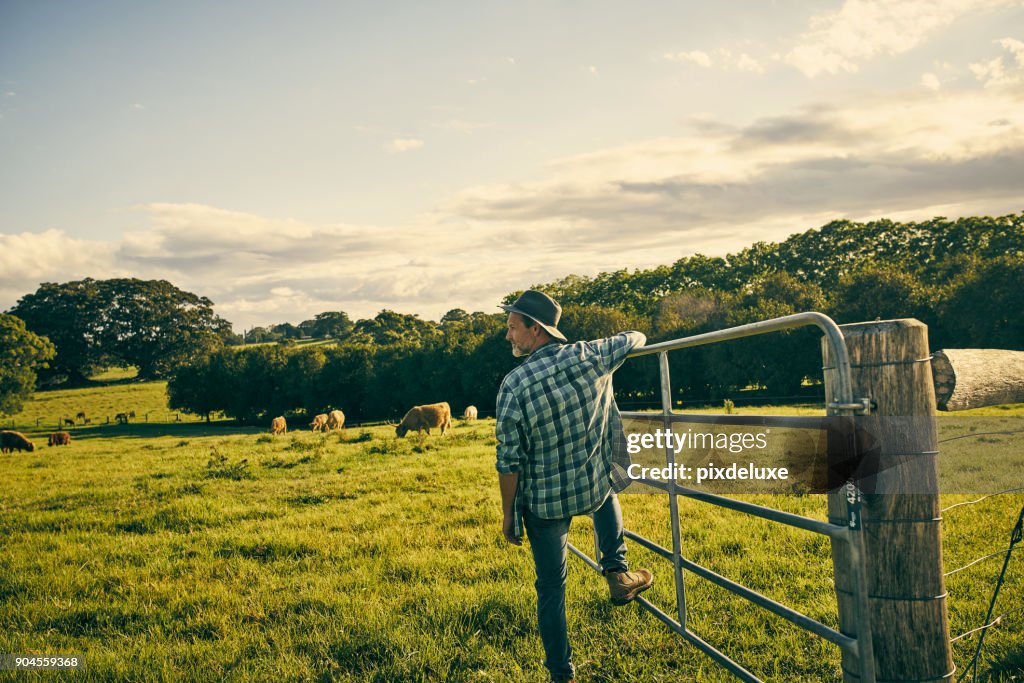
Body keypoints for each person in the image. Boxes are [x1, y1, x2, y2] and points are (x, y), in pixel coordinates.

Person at [495, 289, 653, 683]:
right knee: (607, 483)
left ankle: (561, 674)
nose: (508, 335)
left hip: (544, 504)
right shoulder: (592, 354)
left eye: (512, 327)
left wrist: (509, 514)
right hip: (591, 487)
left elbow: (509, 460)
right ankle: (617, 573)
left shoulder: (513, 384)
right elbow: (636, 337)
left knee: (551, 587)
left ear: (536, 329)